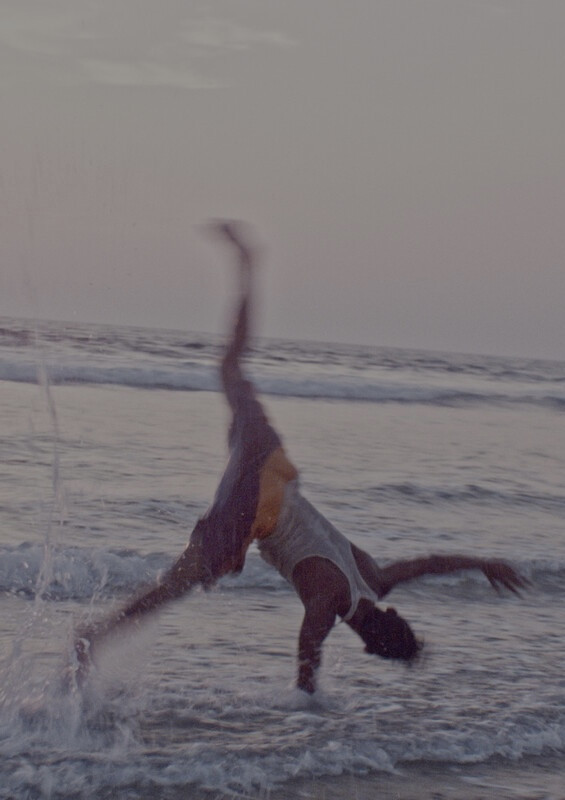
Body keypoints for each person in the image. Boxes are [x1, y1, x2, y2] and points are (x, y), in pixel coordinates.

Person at [73, 221, 526, 693]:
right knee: (174, 586)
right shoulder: (327, 608)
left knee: (231, 372)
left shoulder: (378, 578)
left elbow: (430, 562)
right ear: (368, 645)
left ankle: (247, 270)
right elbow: (307, 664)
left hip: (275, 469)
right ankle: (91, 640)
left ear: (391, 612)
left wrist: (485, 562)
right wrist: (309, 704)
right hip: (255, 509)